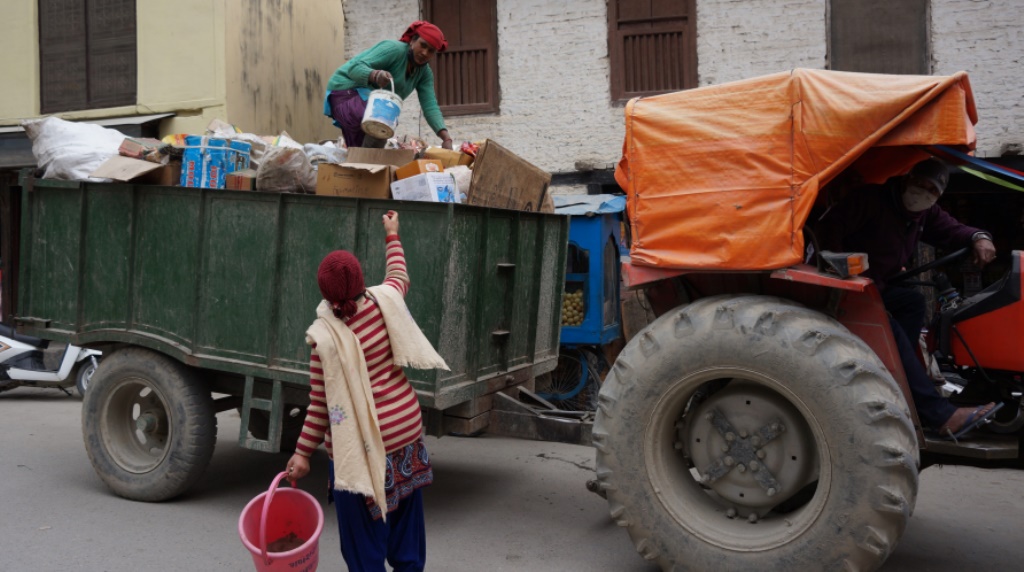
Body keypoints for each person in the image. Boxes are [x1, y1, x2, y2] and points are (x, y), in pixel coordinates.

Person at [285, 210, 448, 571]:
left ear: (324, 292)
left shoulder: (323, 339)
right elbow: (398, 274)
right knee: (406, 532)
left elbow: (321, 406)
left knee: (363, 544)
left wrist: (302, 454)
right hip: (406, 433)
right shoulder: (384, 301)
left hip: (359, 448)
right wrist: (392, 233)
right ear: (360, 282)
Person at [816, 158, 999, 438]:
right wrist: (836, 265)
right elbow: (830, 230)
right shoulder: (870, 200)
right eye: (920, 185)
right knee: (892, 330)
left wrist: (979, 237)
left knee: (912, 302)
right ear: (906, 180)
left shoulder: (925, 214)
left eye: (932, 190)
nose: (923, 193)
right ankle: (940, 414)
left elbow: (954, 230)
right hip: (849, 286)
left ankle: (898, 376)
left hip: (879, 287)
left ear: (937, 196)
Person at [324, 21, 454, 150]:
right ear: (413, 41)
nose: (425, 53)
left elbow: (430, 106)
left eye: (430, 51)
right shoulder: (394, 49)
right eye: (423, 45)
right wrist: (374, 75)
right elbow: (354, 68)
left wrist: (446, 138)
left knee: (380, 134)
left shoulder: (425, 74)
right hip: (344, 92)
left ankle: (364, 162)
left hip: (368, 104)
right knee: (379, 116)